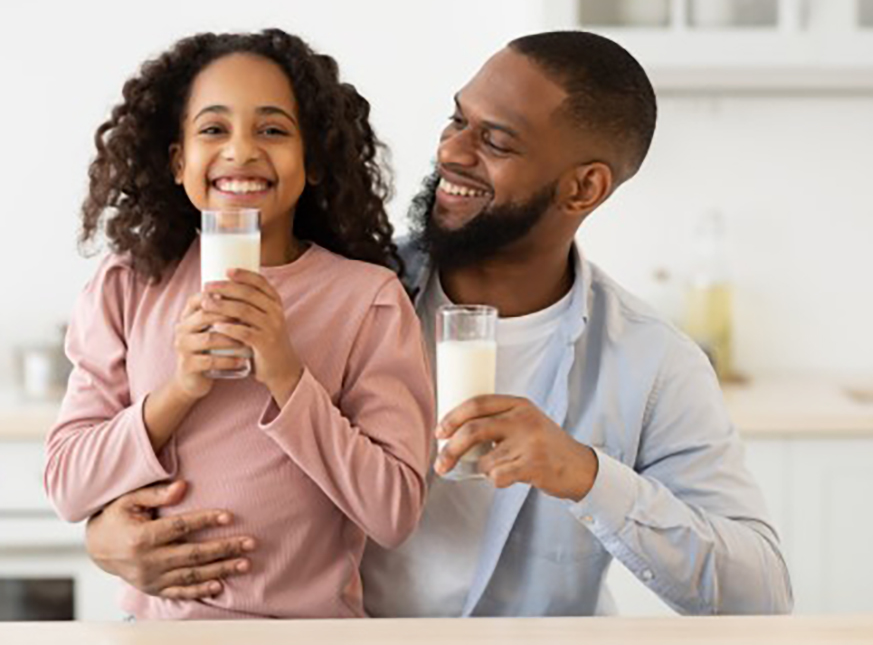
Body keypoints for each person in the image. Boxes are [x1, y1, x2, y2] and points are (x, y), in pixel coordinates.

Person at [81, 31, 793, 616]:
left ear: (584, 186)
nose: (453, 151)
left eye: (497, 141)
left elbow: (760, 594)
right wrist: (105, 536)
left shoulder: (651, 363)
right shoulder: (355, 294)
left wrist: (584, 475)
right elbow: (193, 465)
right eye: (457, 120)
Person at [43, 29, 434, 619]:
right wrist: (180, 389)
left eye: (273, 129)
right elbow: (69, 486)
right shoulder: (128, 284)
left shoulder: (367, 300)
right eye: (213, 129)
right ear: (179, 161)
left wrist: (286, 374)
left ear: (315, 161)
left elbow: (394, 512)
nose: (242, 150)